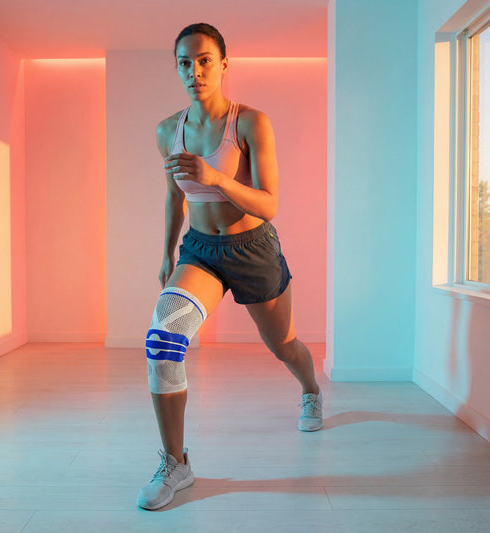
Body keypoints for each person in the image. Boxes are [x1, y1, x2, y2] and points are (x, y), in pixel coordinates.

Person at [137, 22, 322, 511]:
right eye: (184, 63)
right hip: (201, 251)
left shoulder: (250, 123)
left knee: (282, 345)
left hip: (252, 247)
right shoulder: (167, 131)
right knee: (163, 339)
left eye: (204, 60)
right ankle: (176, 463)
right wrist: (166, 252)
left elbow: (269, 204)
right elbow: (174, 197)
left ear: (223, 64)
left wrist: (216, 176)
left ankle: (310, 389)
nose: (194, 72)